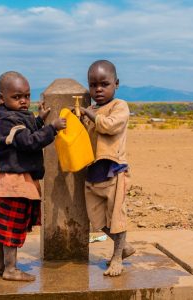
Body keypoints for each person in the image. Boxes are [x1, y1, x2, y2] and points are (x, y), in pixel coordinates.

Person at [0, 71, 66, 281]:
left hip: (8, 183)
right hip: (14, 184)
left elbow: (24, 134)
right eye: (17, 97)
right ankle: (10, 270)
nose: (23, 101)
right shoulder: (7, 122)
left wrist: (39, 120)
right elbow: (28, 142)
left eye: (27, 96)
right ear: (1, 98)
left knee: (1, 227)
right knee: (11, 228)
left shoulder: (11, 117)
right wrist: (52, 129)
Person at [79, 60, 135, 277]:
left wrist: (91, 115)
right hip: (93, 173)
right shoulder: (91, 110)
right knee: (97, 219)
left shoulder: (119, 106)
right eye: (93, 85)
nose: (98, 89)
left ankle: (117, 257)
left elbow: (110, 125)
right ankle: (125, 247)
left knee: (116, 217)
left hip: (114, 172)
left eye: (104, 84)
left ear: (116, 84)